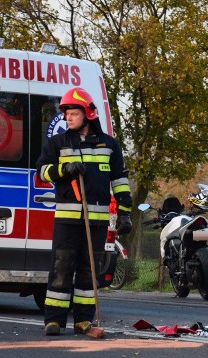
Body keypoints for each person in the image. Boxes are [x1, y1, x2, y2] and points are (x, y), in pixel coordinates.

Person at [36, 87, 132, 336]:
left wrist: (125, 212)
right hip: (67, 220)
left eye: (73, 112)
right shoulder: (58, 142)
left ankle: (83, 321)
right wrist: (63, 171)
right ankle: (54, 320)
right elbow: (42, 171)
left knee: (90, 272)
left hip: (98, 221)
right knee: (61, 267)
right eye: (66, 113)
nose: (67, 117)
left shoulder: (110, 145)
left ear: (88, 114)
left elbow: (119, 179)